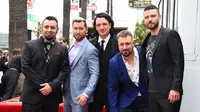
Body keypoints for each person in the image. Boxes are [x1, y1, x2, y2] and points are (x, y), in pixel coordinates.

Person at [140, 5, 184, 112]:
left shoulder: (170, 34)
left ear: (159, 17)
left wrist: (175, 88)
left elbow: (178, 62)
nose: (150, 19)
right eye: (146, 17)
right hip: (152, 92)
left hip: (168, 92)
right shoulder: (147, 38)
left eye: (153, 16)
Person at [20, 16, 69, 112]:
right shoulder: (29, 45)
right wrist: (43, 86)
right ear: (41, 28)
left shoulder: (62, 49)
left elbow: (64, 70)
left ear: (57, 29)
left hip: (52, 97)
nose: (49, 30)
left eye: (52, 27)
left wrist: (52, 86)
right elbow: (25, 67)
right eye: (46, 27)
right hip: (31, 96)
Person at [63, 17, 99, 112]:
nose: (78, 31)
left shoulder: (91, 50)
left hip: (81, 96)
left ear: (86, 30)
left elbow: (94, 74)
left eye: (81, 28)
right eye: (75, 28)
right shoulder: (70, 47)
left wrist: (86, 94)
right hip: (67, 94)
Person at [108, 30, 148, 112]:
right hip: (127, 102)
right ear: (118, 45)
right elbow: (112, 88)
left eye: (127, 44)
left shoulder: (144, 53)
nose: (125, 47)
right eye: (121, 44)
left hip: (147, 99)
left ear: (133, 43)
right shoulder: (114, 62)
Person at [89, 12, 119, 112]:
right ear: (95, 27)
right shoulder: (90, 44)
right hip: (94, 92)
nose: (101, 27)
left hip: (114, 91)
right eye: (98, 25)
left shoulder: (119, 43)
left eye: (104, 24)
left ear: (110, 25)